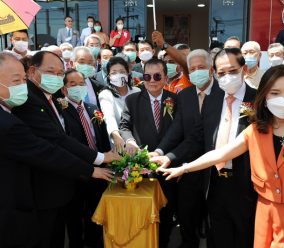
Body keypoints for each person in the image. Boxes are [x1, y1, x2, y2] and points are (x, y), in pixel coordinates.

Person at [160, 64, 284, 248]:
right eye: (275, 93)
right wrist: (184, 167)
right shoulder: (256, 130)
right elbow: (220, 154)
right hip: (265, 212)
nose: (283, 99)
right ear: (264, 96)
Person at [0, 52, 114, 248]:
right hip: (34, 195)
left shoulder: (52, 96)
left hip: (56, 186)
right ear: (34, 71)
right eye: (16, 80)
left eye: (60, 72)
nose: (22, 84)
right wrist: (94, 165)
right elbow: (50, 146)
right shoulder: (22, 107)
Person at [151, 48, 258, 248]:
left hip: (246, 183)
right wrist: (171, 157)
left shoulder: (258, 99)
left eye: (233, 71)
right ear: (215, 73)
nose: (227, 77)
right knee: (217, 236)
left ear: (244, 69)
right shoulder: (214, 99)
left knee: (244, 237)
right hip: (215, 182)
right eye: (222, 73)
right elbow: (196, 137)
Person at [151, 49, 217, 248]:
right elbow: (177, 128)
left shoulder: (224, 94)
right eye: (193, 68)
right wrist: (160, 152)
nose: (197, 71)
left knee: (215, 223)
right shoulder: (185, 95)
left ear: (211, 70)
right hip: (187, 167)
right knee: (187, 219)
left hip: (217, 169)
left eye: (201, 68)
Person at [119, 58, 177, 248]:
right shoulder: (133, 99)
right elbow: (124, 126)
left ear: (166, 78)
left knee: (166, 212)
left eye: (157, 76)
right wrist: (129, 141)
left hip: (167, 166)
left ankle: (164, 242)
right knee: (144, 212)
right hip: (142, 168)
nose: (152, 80)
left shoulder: (175, 99)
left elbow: (180, 131)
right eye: (147, 76)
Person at [61, 69, 111, 248]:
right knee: (74, 217)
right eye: (72, 84)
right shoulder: (61, 111)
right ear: (65, 89)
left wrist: (108, 160)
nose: (78, 87)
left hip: (100, 171)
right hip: (76, 172)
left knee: (96, 214)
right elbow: (67, 143)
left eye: (81, 84)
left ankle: (94, 242)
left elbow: (102, 139)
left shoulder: (93, 108)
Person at [98, 57, 140, 152]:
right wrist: (116, 136)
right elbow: (109, 117)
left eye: (122, 71)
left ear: (128, 73)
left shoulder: (137, 91)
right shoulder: (105, 94)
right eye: (114, 73)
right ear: (108, 76)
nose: (118, 75)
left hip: (140, 139)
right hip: (120, 143)